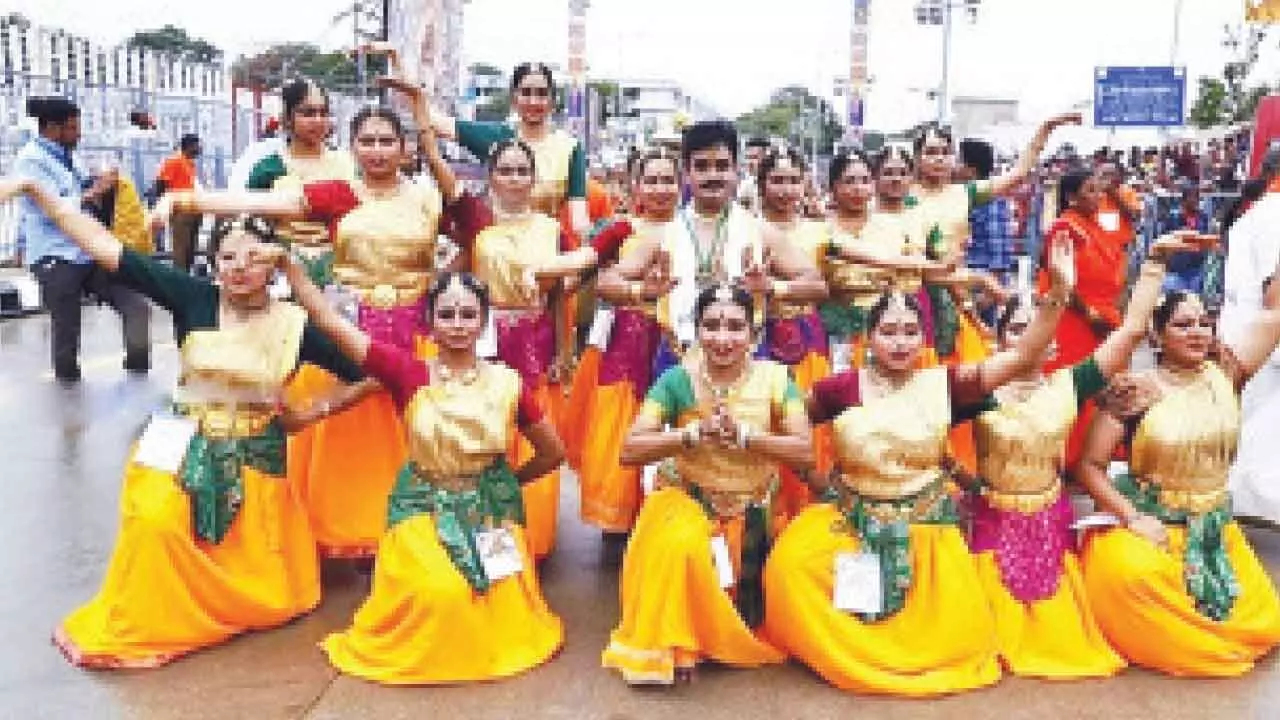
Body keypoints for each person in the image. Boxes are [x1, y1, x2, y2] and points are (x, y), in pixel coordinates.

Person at [1, 175, 369, 667]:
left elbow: (371, 373)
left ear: (274, 264)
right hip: (182, 436)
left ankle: (224, 602)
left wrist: (316, 411)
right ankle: (152, 617)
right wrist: (36, 192)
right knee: (155, 520)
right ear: (213, 264)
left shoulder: (296, 326)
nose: (239, 269)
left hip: (254, 454)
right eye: (228, 259)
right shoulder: (193, 297)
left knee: (261, 584)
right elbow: (102, 245)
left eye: (253, 258)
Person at [761, 235, 1073, 697]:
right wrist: (815, 477)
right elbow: (791, 422)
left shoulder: (945, 384)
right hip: (850, 517)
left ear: (924, 338)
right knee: (789, 570)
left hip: (928, 527)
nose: (900, 342)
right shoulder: (840, 387)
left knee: (954, 637)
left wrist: (1059, 294)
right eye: (889, 331)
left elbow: (1024, 355)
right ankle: (849, 653)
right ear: (870, 337)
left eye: (911, 331)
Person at [148, 105, 446, 561]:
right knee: (343, 445)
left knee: (416, 438)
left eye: (388, 141)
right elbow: (260, 203)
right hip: (348, 330)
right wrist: (185, 201)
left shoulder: (429, 197)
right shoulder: (339, 194)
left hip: (416, 329)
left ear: (405, 148)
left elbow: (478, 235)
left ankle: (412, 532)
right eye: (367, 141)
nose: (378, 151)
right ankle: (343, 531)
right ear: (353, 148)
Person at [281, 256, 567, 683]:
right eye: (446, 314)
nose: (457, 324)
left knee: (489, 598)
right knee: (440, 593)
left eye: (469, 314)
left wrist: (507, 482)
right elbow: (328, 320)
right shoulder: (406, 372)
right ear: (429, 322)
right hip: (423, 503)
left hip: (489, 509)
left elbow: (553, 452)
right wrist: (289, 267)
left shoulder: (508, 383)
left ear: (484, 321)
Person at [968, 234, 1186, 679]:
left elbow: (1128, 333)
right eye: (1016, 328)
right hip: (991, 525)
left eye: (1038, 327)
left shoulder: (1069, 384)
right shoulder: (976, 389)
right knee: (985, 636)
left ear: (1052, 344)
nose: (1029, 336)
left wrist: (1155, 263)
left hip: (1048, 524)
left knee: (1067, 642)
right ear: (1000, 339)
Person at [602, 284, 813, 685]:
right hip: (690, 500)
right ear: (696, 330)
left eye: (735, 326)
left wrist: (749, 438)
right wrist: (691, 435)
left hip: (754, 511)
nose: (722, 338)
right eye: (711, 325)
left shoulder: (775, 379)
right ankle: (678, 643)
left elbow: (804, 452)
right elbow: (631, 449)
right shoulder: (677, 381)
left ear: (754, 333)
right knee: (680, 544)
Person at [1078, 273, 1280, 677]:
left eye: (1205, 322)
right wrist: (1132, 518)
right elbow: (1088, 466)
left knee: (1262, 620)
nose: (1198, 332)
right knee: (1132, 577)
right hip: (1152, 519)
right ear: (1156, 334)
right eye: (1183, 324)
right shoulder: (1135, 390)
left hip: (1212, 527)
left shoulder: (1225, 375)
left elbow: (1275, 315)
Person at [573, 147, 681, 533]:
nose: (660, 189)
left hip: (679, 336)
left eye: (668, 179)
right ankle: (619, 513)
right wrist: (641, 294)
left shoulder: (694, 229)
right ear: (636, 185)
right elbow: (595, 276)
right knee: (623, 417)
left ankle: (665, 507)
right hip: (630, 334)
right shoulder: (622, 229)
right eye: (651, 180)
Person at [13, 96, 150, 383]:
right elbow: (50, 208)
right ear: (52, 127)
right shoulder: (29, 161)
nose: (79, 134)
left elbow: (81, 188)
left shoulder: (68, 154)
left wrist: (101, 183)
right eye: (73, 128)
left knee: (136, 305)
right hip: (54, 254)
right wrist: (92, 192)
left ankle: (138, 373)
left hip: (87, 249)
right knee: (67, 327)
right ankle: (68, 395)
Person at [430, 61, 589, 239]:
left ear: (553, 100)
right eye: (526, 93)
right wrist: (405, 84)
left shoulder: (570, 148)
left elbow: (579, 218)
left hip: (545, 247)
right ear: (514, 99)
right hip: (495, 246)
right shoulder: (497, 137)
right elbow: (436, 123)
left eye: (542, 94)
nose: (533, 101)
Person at [244, 80, 357, 286]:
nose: (318, 120)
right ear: (287, 118)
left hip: (344, 274)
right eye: (308, 113)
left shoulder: (349, 165)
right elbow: (253, 228)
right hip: (284, 275)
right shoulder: (269, 169)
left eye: (323, 113)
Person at [1220, 148, 1280, 523]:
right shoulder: (1274, 216)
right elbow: (1272, 287)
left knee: (1249, 420)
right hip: (1266, 332)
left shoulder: (1252, 215)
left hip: (1242, 328)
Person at [154, 133, 203, 272]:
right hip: (181, 212)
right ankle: (180, 277)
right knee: (181, 249)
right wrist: (166, 206)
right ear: (189, 146)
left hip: (192, 210)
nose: (199, 149)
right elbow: (161, 184)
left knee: (190, 249)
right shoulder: (174, 161)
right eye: (197, 145)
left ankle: (186, 276)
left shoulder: (189, 164)